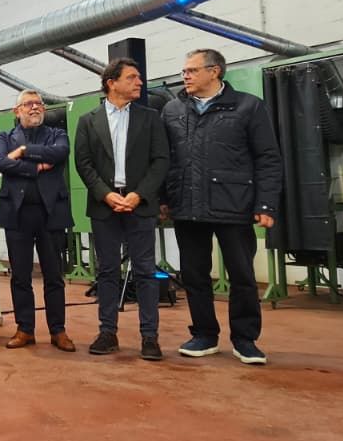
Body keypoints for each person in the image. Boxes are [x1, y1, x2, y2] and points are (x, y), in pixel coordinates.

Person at [163, 48, 283, 365]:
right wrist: (164, 199)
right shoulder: (173, 110)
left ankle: (245, 339)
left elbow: (268, 159)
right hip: (187, 205)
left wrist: (266, 203)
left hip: (234, 204)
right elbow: (165, 159)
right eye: (184, 70)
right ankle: (204, 333)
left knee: (242, 274)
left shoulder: (247, 107)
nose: (185, 76)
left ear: (214, 71)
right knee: (193, 273)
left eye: (191, 70)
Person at [73, 60, 170, 361]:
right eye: (132, 77)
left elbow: (161, 160)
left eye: (139, 77)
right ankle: (107, 332)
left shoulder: (150, 117)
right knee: (107, 270)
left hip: (139, 206)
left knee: (145, 271)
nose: (139, 82)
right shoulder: (88, 121)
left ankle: (150, 338)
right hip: (105, 207)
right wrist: (106, 195)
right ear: (111, 83)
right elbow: (83, 163)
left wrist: (139, 195)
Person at [0, 90, 73, 351]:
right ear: (17, 111)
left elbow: (60, 153)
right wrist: (35, 166)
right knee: (20, 276)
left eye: (39, 104)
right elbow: (2, 163)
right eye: (28, 104)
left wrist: (25, 151)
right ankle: (25, 329)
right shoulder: (4, 137)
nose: (35, 108)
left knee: (53, 276)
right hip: (17, 214)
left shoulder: (57, 134)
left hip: (51, 214)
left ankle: (58, 331)